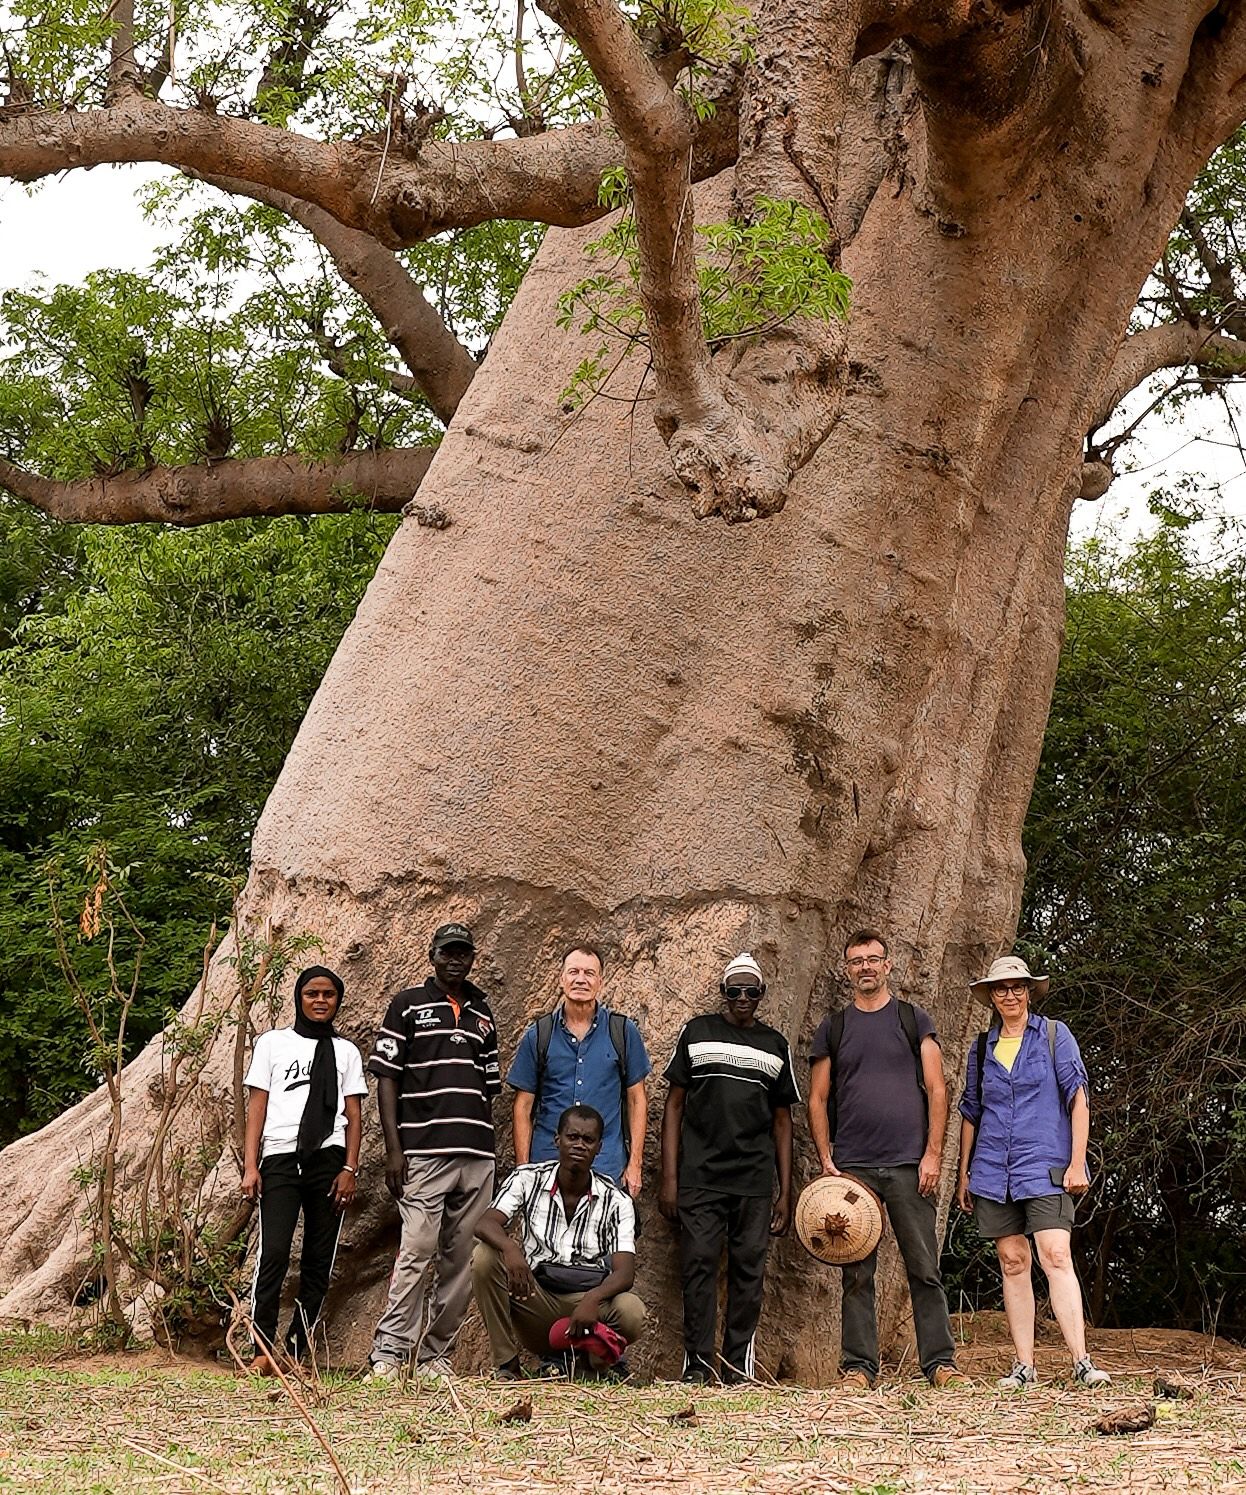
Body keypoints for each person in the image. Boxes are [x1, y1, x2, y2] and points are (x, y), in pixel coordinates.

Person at [808, 929, 966, 1389]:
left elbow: (938, 1090)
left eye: (873, 959)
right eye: (857, 961)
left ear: (888, 965)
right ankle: (859, 1368)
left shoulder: (913, 1019)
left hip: (909, 1164)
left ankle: (940, 1364)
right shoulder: (834, 1027)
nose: (866, 967)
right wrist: (826, 1158)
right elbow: (817, 1098)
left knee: (924, 1268)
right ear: (847, 970)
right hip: (854, 1169)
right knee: (856, 1273)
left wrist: (932, 1154)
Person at [957, 955, 1111, 1390]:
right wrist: (964, 1173)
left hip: (1044, 1163)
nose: (1010, 995)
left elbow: (1078, 1098)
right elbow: (971, 1112)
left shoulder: (1054, 1035)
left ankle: (1082, 1361)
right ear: (991, 996)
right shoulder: (980, 1048)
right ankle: (1024, 1366)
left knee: (1055, 1253)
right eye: (1001, 989)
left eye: (1017, 987)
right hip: (992, 1168)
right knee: (1012, 1261)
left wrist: (1077, 1162)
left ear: (1028, 992)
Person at [366, 922, 501, 1381]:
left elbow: (488, 1087)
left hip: (476, 1155)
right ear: (432, 956)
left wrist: (486, 1150)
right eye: (447, 952)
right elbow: (387, 1078)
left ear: (473, 959)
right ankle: (389, 1353)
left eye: (463, 953)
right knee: (417, 1250)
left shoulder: (483, 1014)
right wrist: (394, 1149)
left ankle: (434, 1357)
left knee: (462, 1260)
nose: (455, 960)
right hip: (423, 1152)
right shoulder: (406, 1005)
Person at [659, 953, 798, 1384]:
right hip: (700, 1175)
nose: (742, 997)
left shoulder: (775, 1045)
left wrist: (785, 1192)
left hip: (753, 1180)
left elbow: (782, 1122)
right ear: (723, 992)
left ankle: (738, 1367)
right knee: (698, 1265)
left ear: (762, 994)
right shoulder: (697, 1032)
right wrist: (669, 1179)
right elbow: (674, 1106)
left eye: (751, 990)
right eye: (734, 990)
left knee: (748, 1271)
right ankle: (698, 1365)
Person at [241, 965, 366, 1372]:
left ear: (337, 1000)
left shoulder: (346, 1052)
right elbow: (257, 1108)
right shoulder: (273, 1044)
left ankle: (297, 1350)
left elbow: (354, 1115)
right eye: (312, 993)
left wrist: (349, 1168)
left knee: (318, 1260)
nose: (320, 1000)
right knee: (274, 1253)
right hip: (280, 1158)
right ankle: (261, 1349)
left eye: (328, 994)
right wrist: (250, 1166)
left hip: (329, 1162)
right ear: (299, 998)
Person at [472, 1104, 646, 1380]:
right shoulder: (527, 1179)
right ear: (557, 1140)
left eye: (588, 1140)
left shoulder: (617, 1200)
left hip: (588, 1303)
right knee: (484, 1257)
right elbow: (484, 1224)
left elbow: (625, 1273)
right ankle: (507, 1366)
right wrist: (511, 1248)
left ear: (599, 1148)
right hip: (536, 1299)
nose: (579, 1145)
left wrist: (593, 1298)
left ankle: (591, 1364)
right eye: (572, 1137)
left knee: (631, 1311)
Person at [507, 943, 651, 1197]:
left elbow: (637, 1099)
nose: (581, 980)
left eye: (589, 973)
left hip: (606, 1166)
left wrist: (635, 1165)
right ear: (561, 979)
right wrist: (523, 1170)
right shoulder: (539, 1035)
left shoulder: (622, 1032)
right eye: (573, 972)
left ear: (600, 982)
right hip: (547, 1166)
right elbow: (523, 1106)